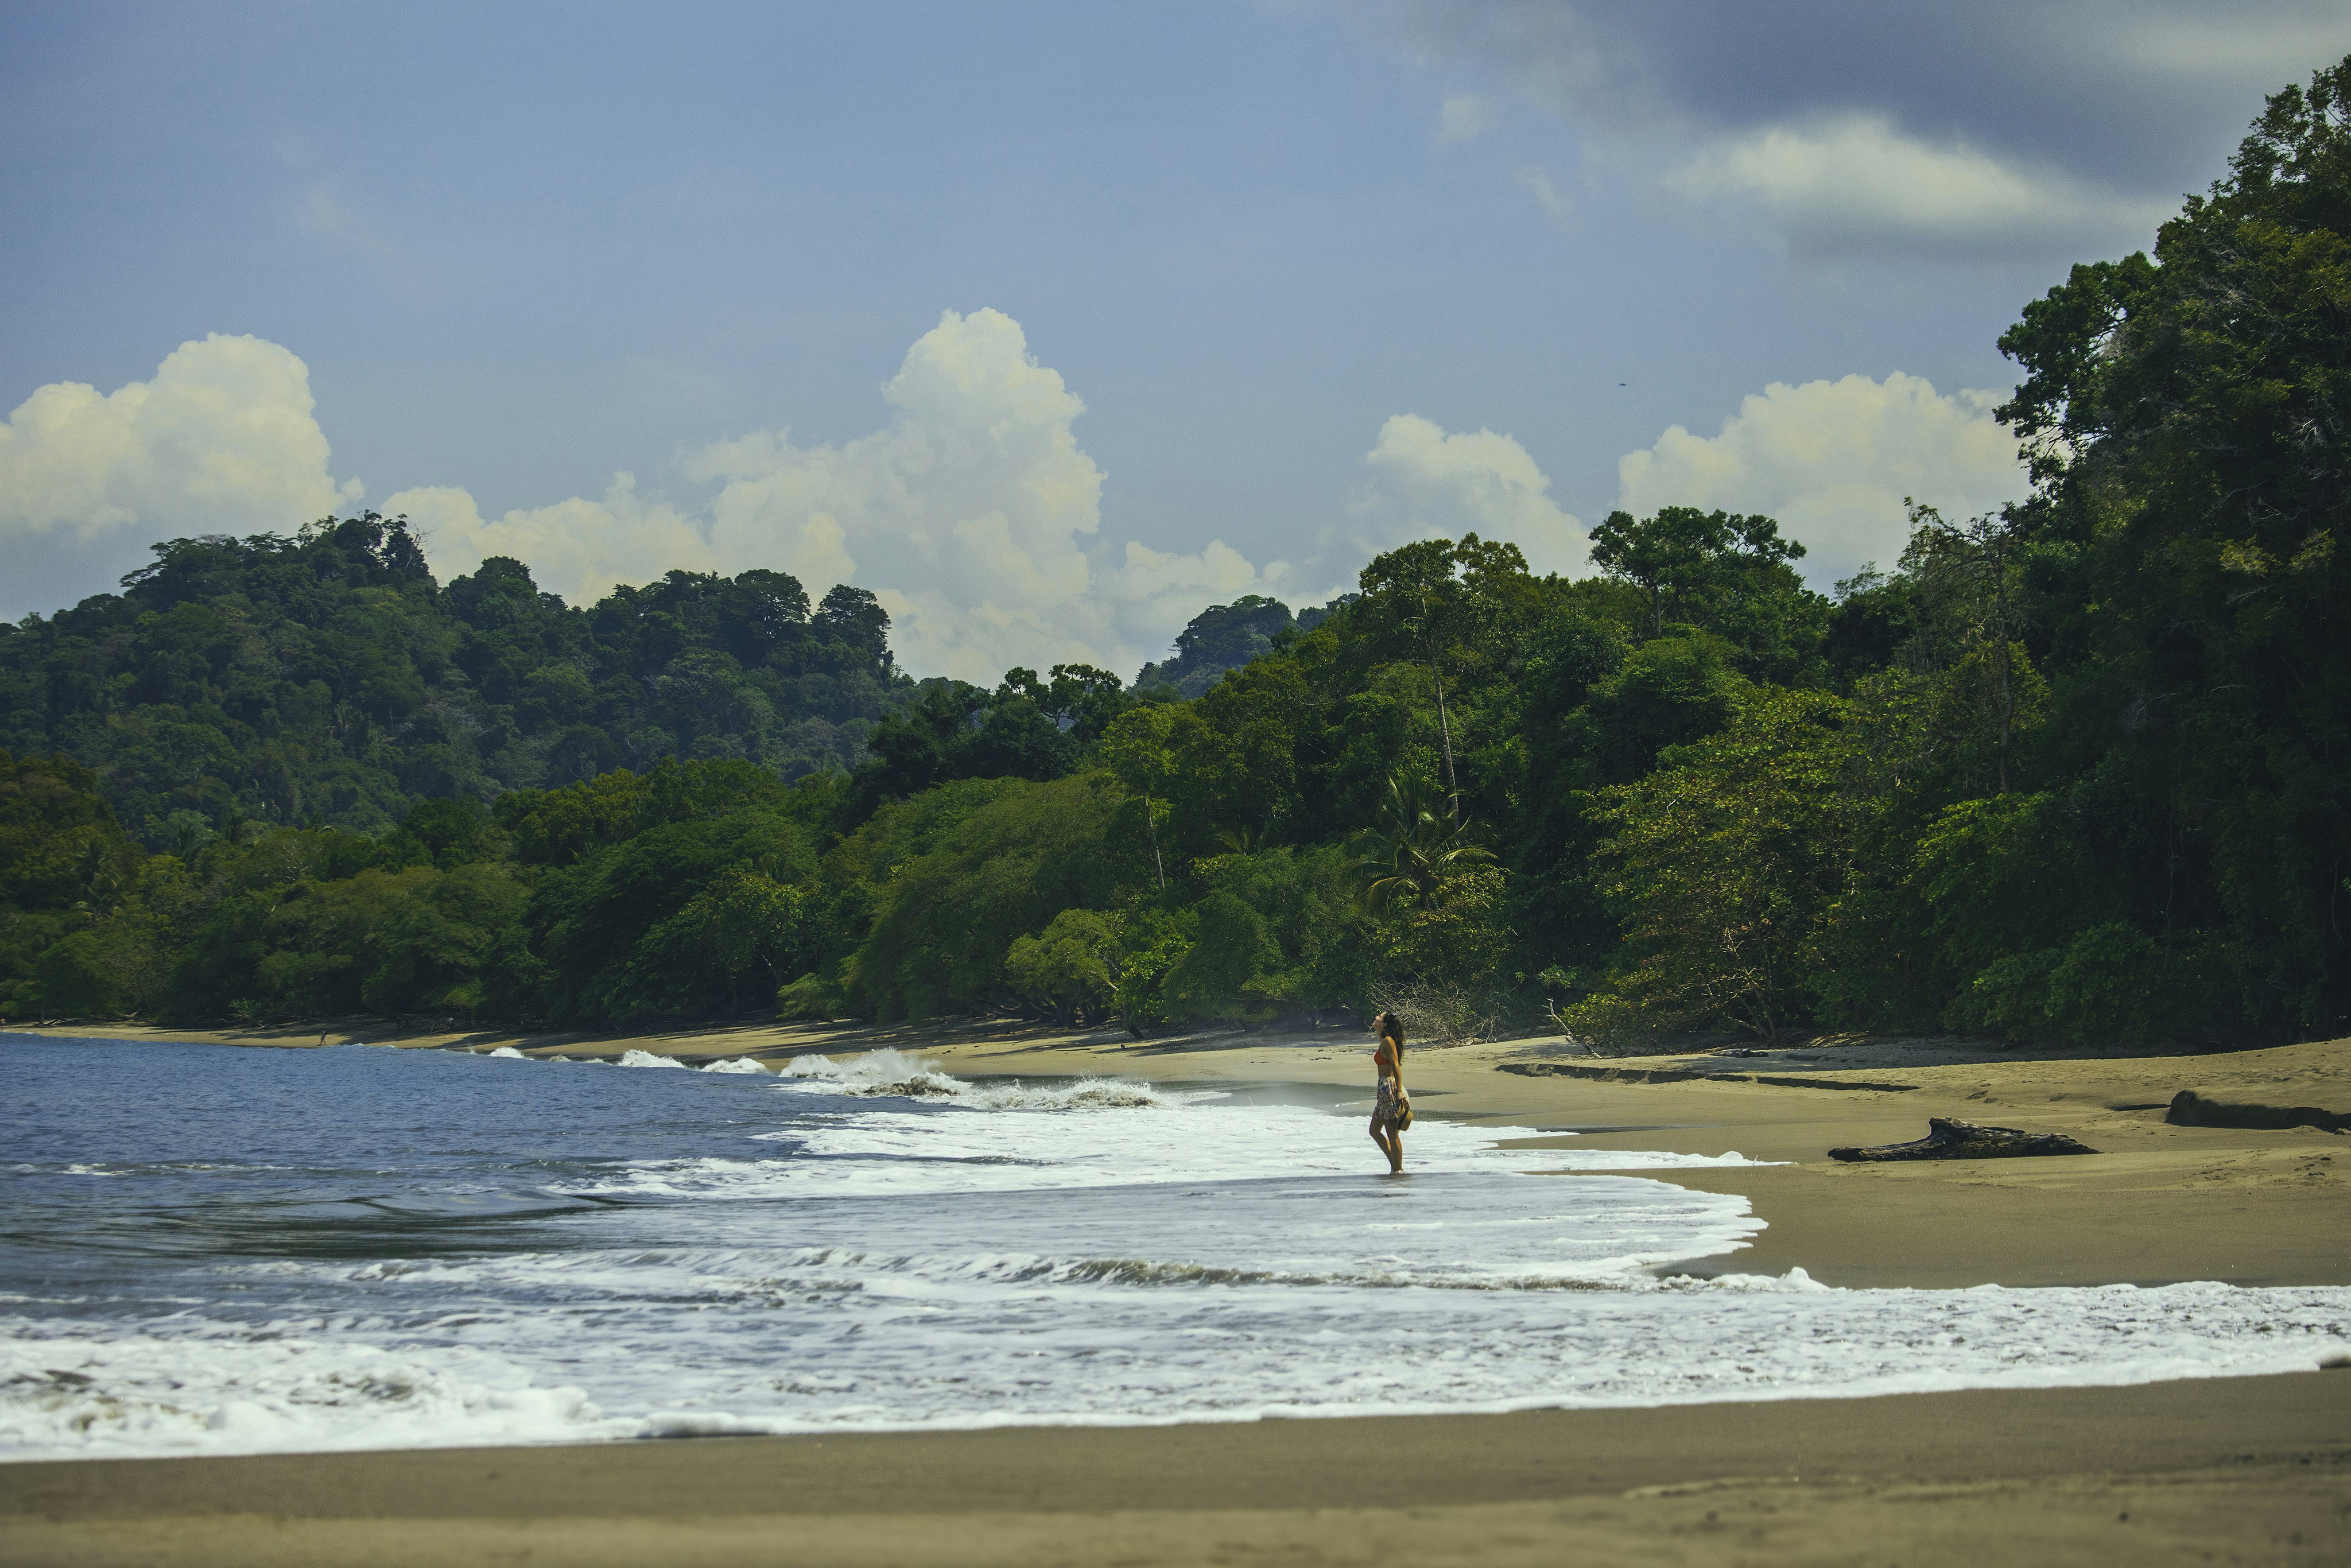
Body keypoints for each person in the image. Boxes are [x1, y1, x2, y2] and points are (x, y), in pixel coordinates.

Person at [1368, 1010, 1409, 1174]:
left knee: (1392, 1133)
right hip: (1383, 1090)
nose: (1376, 1017)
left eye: (1380, 1017)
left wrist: (1399, 1091)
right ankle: (1395, 1167)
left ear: (1384, 1023)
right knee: (1374, 1131)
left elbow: (1396, 1066)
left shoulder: (1388, 1041)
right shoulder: (1384, 1040)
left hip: (1390, 1089)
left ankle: (1397, 1170)